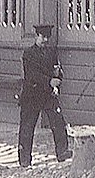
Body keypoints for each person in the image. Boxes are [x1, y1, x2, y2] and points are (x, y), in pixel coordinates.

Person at [17, 24, 71, 167]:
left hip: (48, 95)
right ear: (36, 36)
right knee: (27, 128)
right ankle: (24, 159)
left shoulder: (51, 52)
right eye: (42, 37)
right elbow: (31, 75)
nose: (45, 40)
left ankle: (62, 152)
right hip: (32, 94)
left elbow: (58, 69)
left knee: (58, 122)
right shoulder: (28, 53)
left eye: (47, 37)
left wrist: (58, 78)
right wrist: (49, 81)